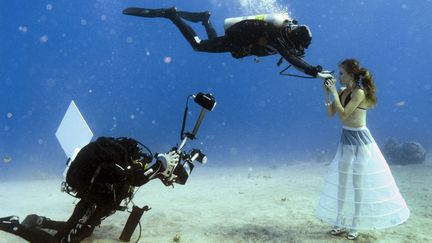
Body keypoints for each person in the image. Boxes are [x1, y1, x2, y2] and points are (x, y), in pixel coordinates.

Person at [0, 136, 184, 242]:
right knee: (66, 240)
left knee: (77, 229)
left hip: (93, 198)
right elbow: (136, 179)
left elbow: (140, 175)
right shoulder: (114, 164)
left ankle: (38, 220)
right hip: (93, 200)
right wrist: (160, 165)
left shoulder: (114, 160)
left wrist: (163, 171)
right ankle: (14, 225)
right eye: (136, 160)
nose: (138, 163)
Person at [315, 59, 410, 240]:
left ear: (351, 74)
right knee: (343, 182)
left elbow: (344, 115)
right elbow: (331, 115)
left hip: (361, 141)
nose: (339, 76)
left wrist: (335, 92)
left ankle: (355, 223)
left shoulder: (359, 93)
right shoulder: (342, 92)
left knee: (357, 183)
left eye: (341, 73)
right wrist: (328, 94)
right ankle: (339, 220)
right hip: (346, 139)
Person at [122, 7, 323, 77]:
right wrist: (310, 70)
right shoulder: (276, 36)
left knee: (212, 41)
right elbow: (289, 56)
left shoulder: (283, 36)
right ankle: (172, 15)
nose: (296, 50)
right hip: (235, 40)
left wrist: (310, 67)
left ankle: (204, 19)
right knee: (199, 46)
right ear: (293, 39)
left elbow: (292, 55)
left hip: (236, 42)